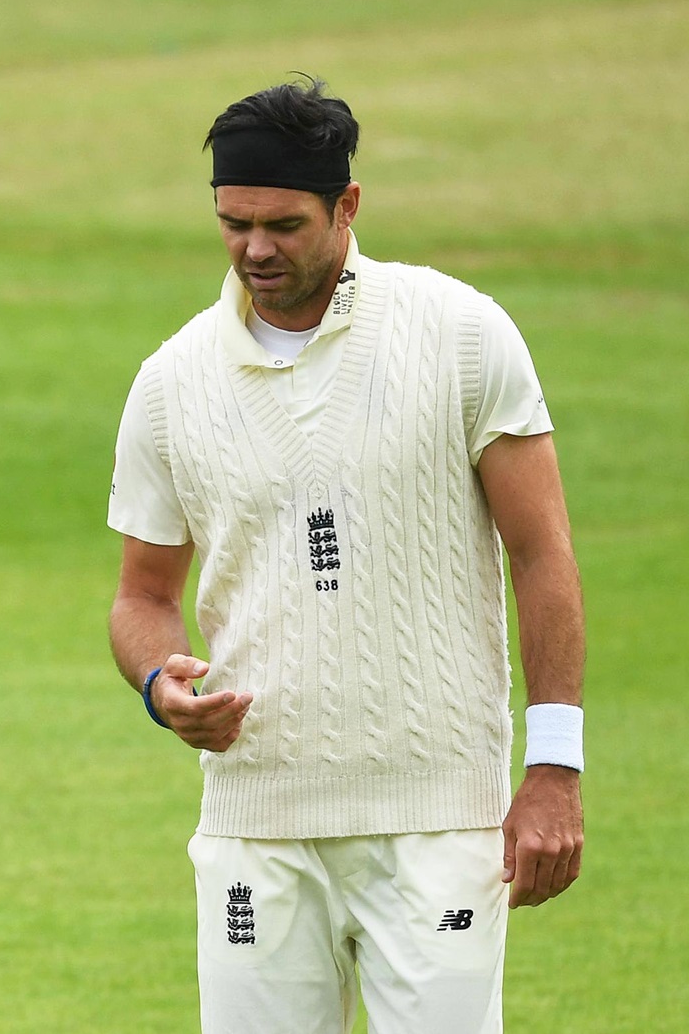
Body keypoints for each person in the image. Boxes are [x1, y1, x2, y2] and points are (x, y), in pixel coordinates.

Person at [106, 77, 584, 1033]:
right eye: (233, 222)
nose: (254, 249)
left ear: (347, 206)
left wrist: (555, 769)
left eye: (283, 224)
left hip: (438, 817)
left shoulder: (460, 334)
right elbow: (142, 595)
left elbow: (542, 557)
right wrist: (161, 682)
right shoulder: (169, 383)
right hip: (256, 819)